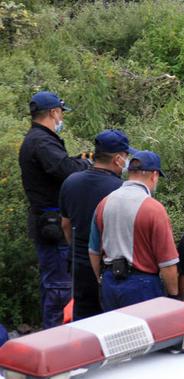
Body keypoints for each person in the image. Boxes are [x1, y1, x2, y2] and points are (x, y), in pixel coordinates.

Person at [18, 91, 90, 328]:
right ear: (53, 112)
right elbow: (65, 170)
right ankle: (57, 337)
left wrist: (78, 160)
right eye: (60, 113)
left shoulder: (38, 139)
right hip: (51, 223)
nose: (61, 118)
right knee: (59, 287)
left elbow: (61, 165)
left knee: (54, 283)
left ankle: (54, 335)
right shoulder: (42, 142)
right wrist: (86, 163)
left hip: (49, 221)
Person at [88, 151, 179, 310]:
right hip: (142, 286)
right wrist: (174, 296)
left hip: (110, 283)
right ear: (154, 176)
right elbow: (167, 262)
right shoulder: (154, 209)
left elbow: (93, 250)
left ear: (129, 173)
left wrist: (101, 279)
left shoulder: (103, 203)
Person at [59, 129, 133, 320]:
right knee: (113, 321)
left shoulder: (70, 182)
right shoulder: (120, 190)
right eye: (126, 156)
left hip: (79, 265)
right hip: (110, 267)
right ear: (118, 159)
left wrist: (76, 248)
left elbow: (66, 225)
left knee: (84, 320)